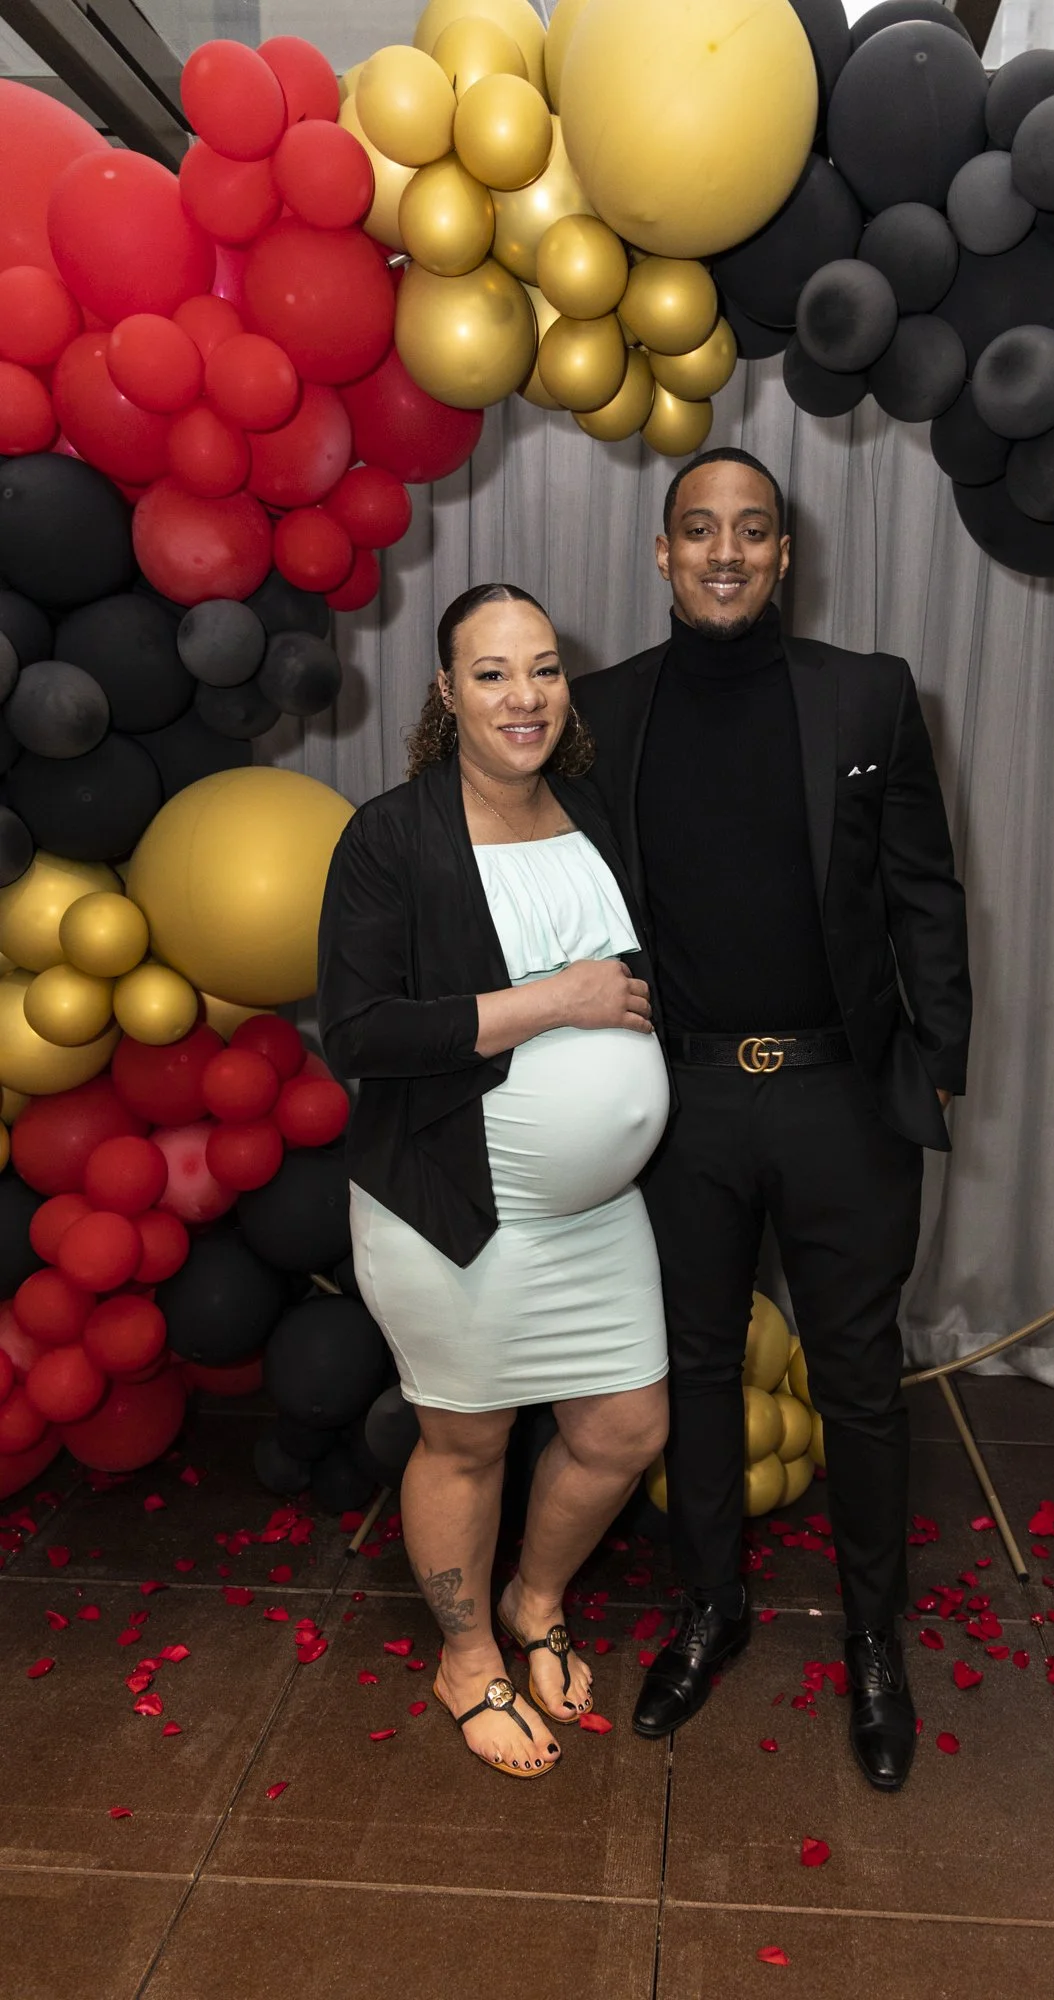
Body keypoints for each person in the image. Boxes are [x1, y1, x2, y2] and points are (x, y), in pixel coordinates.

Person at [576, 448, 971, 1793]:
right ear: (663, 552)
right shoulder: (604, 711)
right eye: (700, 530)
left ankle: (872, 1642)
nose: (726, 552)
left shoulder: (866, 693)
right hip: (677, 1097)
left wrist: (940, 1057)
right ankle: (710, 1609)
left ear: (784, 554)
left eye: (752, 530)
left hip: (838, 1096)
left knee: (857, 1376)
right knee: (694, 1367)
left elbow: (924, 888)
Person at [317, 583, 671, 1781]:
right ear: (445, 691)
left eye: (544, 668)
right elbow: (359, 1031)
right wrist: (554, 1000)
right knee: (465, 1440)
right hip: (453, 1204)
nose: (524, 696)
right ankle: (466, 1658)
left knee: (625, 1428)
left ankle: (535, 1597)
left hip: (597, 1214)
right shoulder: (392, 836)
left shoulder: (593, 810)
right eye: (491, 672)